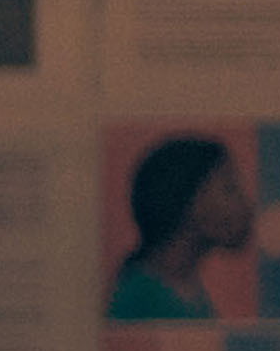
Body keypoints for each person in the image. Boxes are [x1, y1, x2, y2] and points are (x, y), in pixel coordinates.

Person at [107, 135, 250, 322]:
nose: (245, 205)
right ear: (188, 202)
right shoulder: (138, 300)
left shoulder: (190, 293)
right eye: (229, 189)